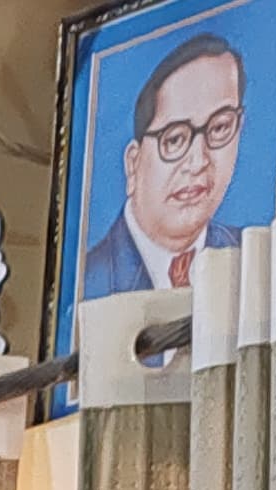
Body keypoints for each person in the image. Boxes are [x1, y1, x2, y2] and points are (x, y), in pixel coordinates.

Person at [80, 32, 245, 301]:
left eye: (219, 128)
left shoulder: (254, 264)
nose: (198, 162)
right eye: (175, 139)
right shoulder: (87, 286)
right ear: (133, 164)